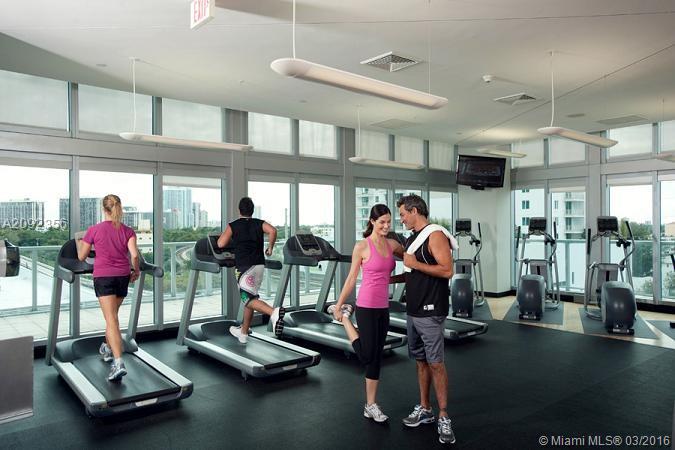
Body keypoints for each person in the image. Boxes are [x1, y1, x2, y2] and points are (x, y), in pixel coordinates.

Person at [329, 204, 403, 423]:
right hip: (366, 305)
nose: (386, 226)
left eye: (389, 221)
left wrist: (401, 278)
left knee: (376, 357)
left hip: (383, 306)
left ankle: (370, 405)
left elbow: (410, 260)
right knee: (366, 355)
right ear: (372, 221)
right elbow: (352, 278)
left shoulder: (393, 244)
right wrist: (338, 305)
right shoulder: (362, 246)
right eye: (382, 222)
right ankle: (345, 318)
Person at [396, 194, 456, 445]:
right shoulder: (412, 238)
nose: (401, 219)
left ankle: (443, 415)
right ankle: (425, 408)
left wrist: (415, 263)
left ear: (414, 211)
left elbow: (447, 270)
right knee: (421, 361)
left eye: (402, 214)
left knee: (435, 363)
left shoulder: (435, 235)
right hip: (413, 309)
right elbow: (412, 270)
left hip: (431, 310)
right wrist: (387, 279)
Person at [77, 194, 139, 382]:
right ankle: (106, 347)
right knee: (112, 317)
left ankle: (118, 363)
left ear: (104, 209)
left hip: (104, 276)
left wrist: (82, 243)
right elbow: (134, 255)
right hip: (122, 276)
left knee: (111, 319)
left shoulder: (94, 230)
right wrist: (136, 271)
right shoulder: (128, 231)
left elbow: (81, 257)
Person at [217, 197, 284, 344]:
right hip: (259, 265)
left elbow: (220, 243)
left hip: (244, 267)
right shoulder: (259, 223)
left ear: (239, 210)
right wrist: (270, 248)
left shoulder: (233, 225)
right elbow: (273, 231)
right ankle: (243, 332)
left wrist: (232, 238)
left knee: (247, 298)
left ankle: (273, 312)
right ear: (252, 210)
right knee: (251, 296)